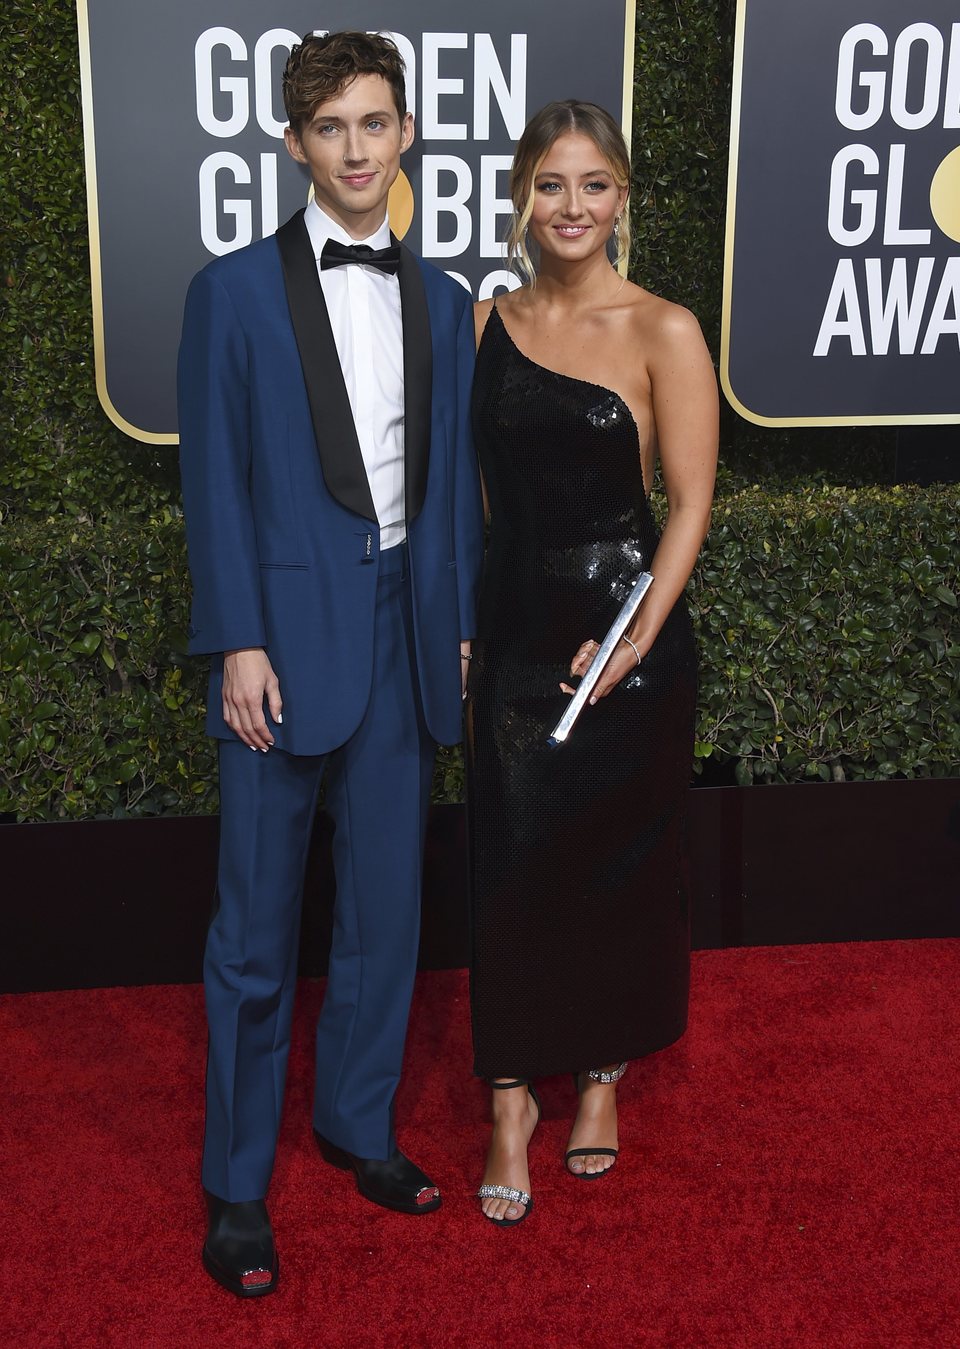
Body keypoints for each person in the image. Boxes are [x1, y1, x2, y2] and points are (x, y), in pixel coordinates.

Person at [178, 31, 483, 1294]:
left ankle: (359, 1124)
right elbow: (214, 484)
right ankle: (237, 1184)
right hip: (280, 648)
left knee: (386, 914)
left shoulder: (448, 297)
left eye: (376, 123)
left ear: (405, 132)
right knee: (253, 934)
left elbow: (453, 480)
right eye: (332, 129)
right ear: (297, 145)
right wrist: (237, 637)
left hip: (404, 637)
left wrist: (456, 622)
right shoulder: (232, 292)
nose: (357, 150)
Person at [466, 100, 719, 1225]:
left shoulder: (663, 327)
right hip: (515, 633)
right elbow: (476, 501)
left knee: (618, 863)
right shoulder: (485, 323)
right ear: (524, 193)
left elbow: (691, 503)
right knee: (511, 866)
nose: (573, 207)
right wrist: (470, 625)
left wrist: (635, 641)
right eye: (553, 184)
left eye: (596, 185)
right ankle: (510, 1100)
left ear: (622, 197)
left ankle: (602, 1077)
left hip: (629, 635)